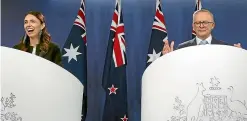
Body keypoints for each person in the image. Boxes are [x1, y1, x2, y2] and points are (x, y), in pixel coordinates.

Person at [162, 9, 242, 54]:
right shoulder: (182, 48)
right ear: (193, 26)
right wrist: (168, 58)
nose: (201, 26)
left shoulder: (224, 48)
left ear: (213, 25)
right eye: (197, 23)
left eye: (205, 22)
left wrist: (239, 57)